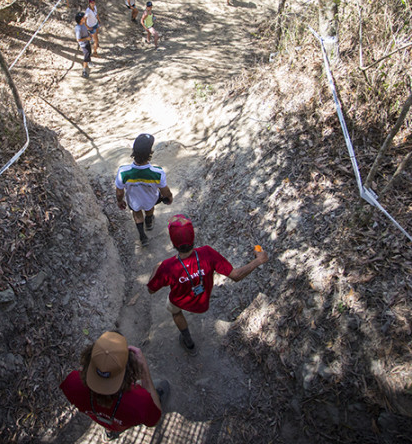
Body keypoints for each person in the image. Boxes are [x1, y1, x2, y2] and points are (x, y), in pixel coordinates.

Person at [147, 214, 268, 355]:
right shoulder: (207, 253)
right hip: (202, 301)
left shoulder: (167, 266)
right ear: (193, 238)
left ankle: (188, 342)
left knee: (175, 312)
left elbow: (151, 290)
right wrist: (258, 260)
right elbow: (235, 275)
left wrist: (156, 267)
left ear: (173, 243)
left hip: (179, 301)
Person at [60, 331, 168, 440]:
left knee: (106, 420)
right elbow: (154, 420)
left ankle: (109, 432)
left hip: (99, 416)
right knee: (121, 420)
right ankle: (113, 430)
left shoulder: (72, 383)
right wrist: (145, 374)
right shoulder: (141, 401)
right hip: (122, 421)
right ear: (128, 369)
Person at [115, 133, 173, 245]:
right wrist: (169, 197)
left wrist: (119, 201)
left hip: (133, 200)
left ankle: (143, 236)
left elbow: (119, 191)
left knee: (137, 214)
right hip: (150, 199)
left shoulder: (123, 172)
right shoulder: (157, 172)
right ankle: (149, 222)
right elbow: (164, 191)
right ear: (150, 152)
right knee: (149, 208)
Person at [74, 11, 92, 78]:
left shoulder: (83, 24)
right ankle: (84, 71)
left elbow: (86, 30)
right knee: (86, 55)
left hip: (87, 41)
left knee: (89, 51)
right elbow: (78, 39)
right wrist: (86, 38)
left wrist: (88, 34)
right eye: (83, 17)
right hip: (83, 44)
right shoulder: (78, 28)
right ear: (81, 19)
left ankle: (89, 61)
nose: (85, 18)